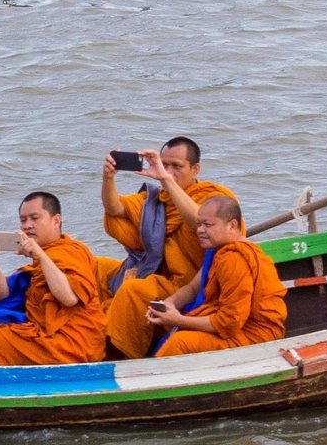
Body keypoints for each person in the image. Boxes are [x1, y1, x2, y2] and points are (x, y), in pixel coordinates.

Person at [99, 138, 236, 361]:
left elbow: (199, 220)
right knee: (99, 268)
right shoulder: (156, 199)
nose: (169, 171)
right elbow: (115, 208)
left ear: (195, 169)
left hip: (206, 282)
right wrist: (108, 178)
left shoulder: (214, 198)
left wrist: (165, 179)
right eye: (164, 165)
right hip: (172, 281)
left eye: (177, 166)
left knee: (133, 291)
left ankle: (127, 358)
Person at [0, 190, 108, 368]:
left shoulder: (70, 252)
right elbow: (4, 297)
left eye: (35, 218)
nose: (27, 226)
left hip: (71, 344)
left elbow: (69, 298)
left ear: (56, 220)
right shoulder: (39, 261)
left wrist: (40, 255)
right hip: (41, 336)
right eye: (23, 220)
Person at [146, 196, 287, 358]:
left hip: (256, 336)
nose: (200, 230)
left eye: (208, 225)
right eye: (199, 224)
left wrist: (177, 320)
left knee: (180, 342)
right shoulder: (217, 251)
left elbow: (229, 322)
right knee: (170, 326)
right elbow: (193, 289)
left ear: (232, 226)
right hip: (234, 327)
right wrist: (168, 304)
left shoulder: (234, 258)